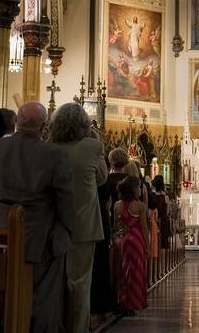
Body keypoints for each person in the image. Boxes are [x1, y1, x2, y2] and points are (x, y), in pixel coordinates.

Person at [0, 102, 72, 333]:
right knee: (43, 298)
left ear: (16, 123)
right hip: (37, 240)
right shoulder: (54, 154)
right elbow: (66, 201)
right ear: (43, 126)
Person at [50, 103, 107, 333]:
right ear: (84, 125)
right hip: (84, 226)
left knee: (54, 282)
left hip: (54, 225)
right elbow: (102, 178)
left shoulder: (49, 146)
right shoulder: (93, 147)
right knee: (80, 283)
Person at [92, 147, 129, 322]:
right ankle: (121, 299)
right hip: (126, 226)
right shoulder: (131, 181)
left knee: (108, 264)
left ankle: (109, 300)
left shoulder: (105, 180)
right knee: (122, 264)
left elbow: (106, 203)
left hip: (107, 224)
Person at [114, 175, 148, 314]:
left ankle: (123, 301)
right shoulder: (140, 206)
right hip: (137, 241)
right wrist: (147, 245)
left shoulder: (117, 205)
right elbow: (144, 228)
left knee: (123, 271)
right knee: (136, 273)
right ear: (133, 189)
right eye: (139, 187)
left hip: (123, 241)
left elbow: (116, 227)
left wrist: (117, 239)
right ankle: (132, 303)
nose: (140, 190)